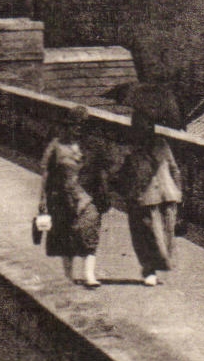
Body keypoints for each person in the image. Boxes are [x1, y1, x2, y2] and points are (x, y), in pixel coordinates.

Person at [113, 110, 183, 286]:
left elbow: (174, 168)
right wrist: (130, 193)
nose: (146, 129)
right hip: (144, 198)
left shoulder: (161, 144)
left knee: (167, 236)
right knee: (148, 236)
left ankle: (156, 267)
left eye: (148, 125)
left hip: (167, 195)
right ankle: (148, 270)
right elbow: (121, 174)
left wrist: (178, 192)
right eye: (140, 126)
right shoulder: (130, 148)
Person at [38, 106, 102, 288]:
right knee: (66, 236)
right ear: (67, 126)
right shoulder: (56, 146)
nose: (78, 129)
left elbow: (101, 170)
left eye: (82, 126)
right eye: (75, 125)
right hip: (62, 196)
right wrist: (42, 199)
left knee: (89, 232)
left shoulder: (91, 146)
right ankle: (68, 275)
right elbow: (46, 173)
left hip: (87, 197)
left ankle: (89, 274)